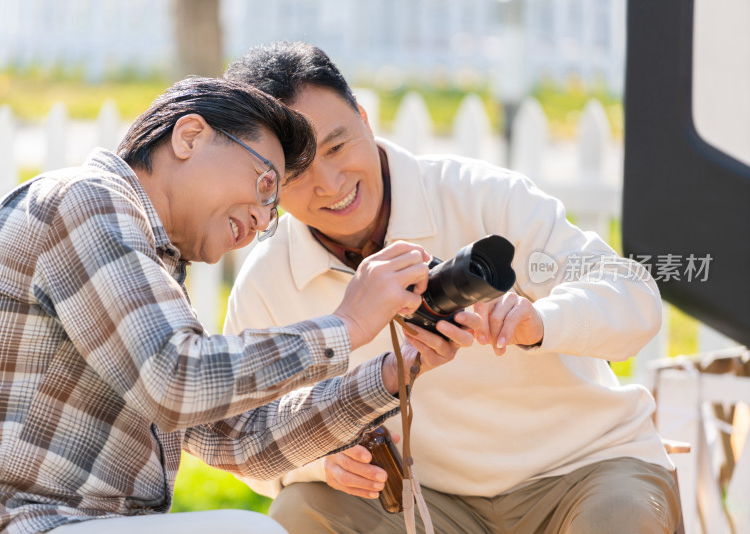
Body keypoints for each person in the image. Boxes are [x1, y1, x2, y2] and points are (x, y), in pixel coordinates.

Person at [0, 77, 479, 534]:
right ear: (190, 135)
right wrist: (349, 323)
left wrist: (393, 372)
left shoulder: (149, 265)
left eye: (273, 209)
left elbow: (240, 438)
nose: (260, 220)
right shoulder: (85, 200)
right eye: (266, 182)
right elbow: (176, 379)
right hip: (13, 520)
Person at [223, 42, 682, 533]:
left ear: (363, 117)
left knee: (622, 518)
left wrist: (539, 322)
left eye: (337, 147)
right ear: (265, 180)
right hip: (426, 504)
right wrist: (317, 463)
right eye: (296, 171)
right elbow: (235, 434)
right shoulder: (269, 280)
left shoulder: (483, 196)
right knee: (302, 509)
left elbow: (633, 295)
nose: (331, 183)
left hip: (583, 471)